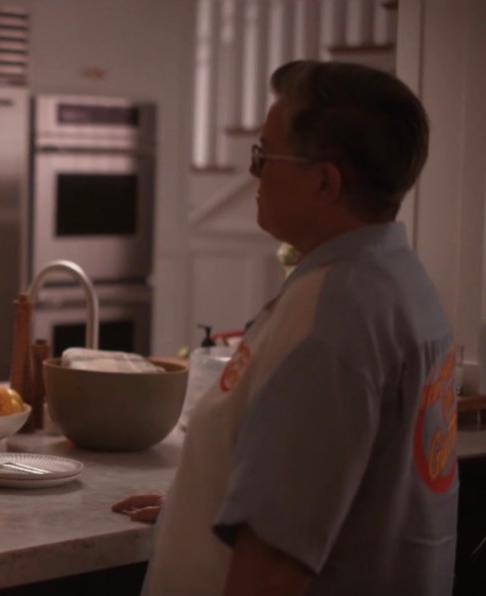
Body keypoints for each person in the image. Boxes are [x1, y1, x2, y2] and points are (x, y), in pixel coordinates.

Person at [113, 60, 457, 595]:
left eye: (263, 155)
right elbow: (337, 486)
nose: (253, 172)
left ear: (324, 182)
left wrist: (259, 532)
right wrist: (206, 503)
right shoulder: (394, 277)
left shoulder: (333, 318)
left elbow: (272, 570)